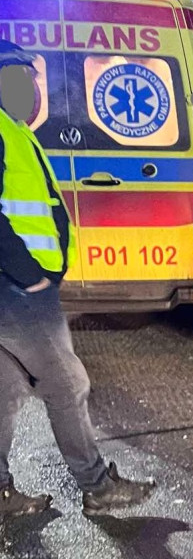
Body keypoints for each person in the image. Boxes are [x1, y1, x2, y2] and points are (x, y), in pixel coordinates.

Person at [0, 40, 154, 517]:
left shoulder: (14, 130)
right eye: (21, 79)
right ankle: (97, 486)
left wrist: (54, 263)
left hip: (19, 287)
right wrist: (32, 276)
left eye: (32, 79)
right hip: (18, 291)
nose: (31, 88)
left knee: (4, 391)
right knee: (67, 384)